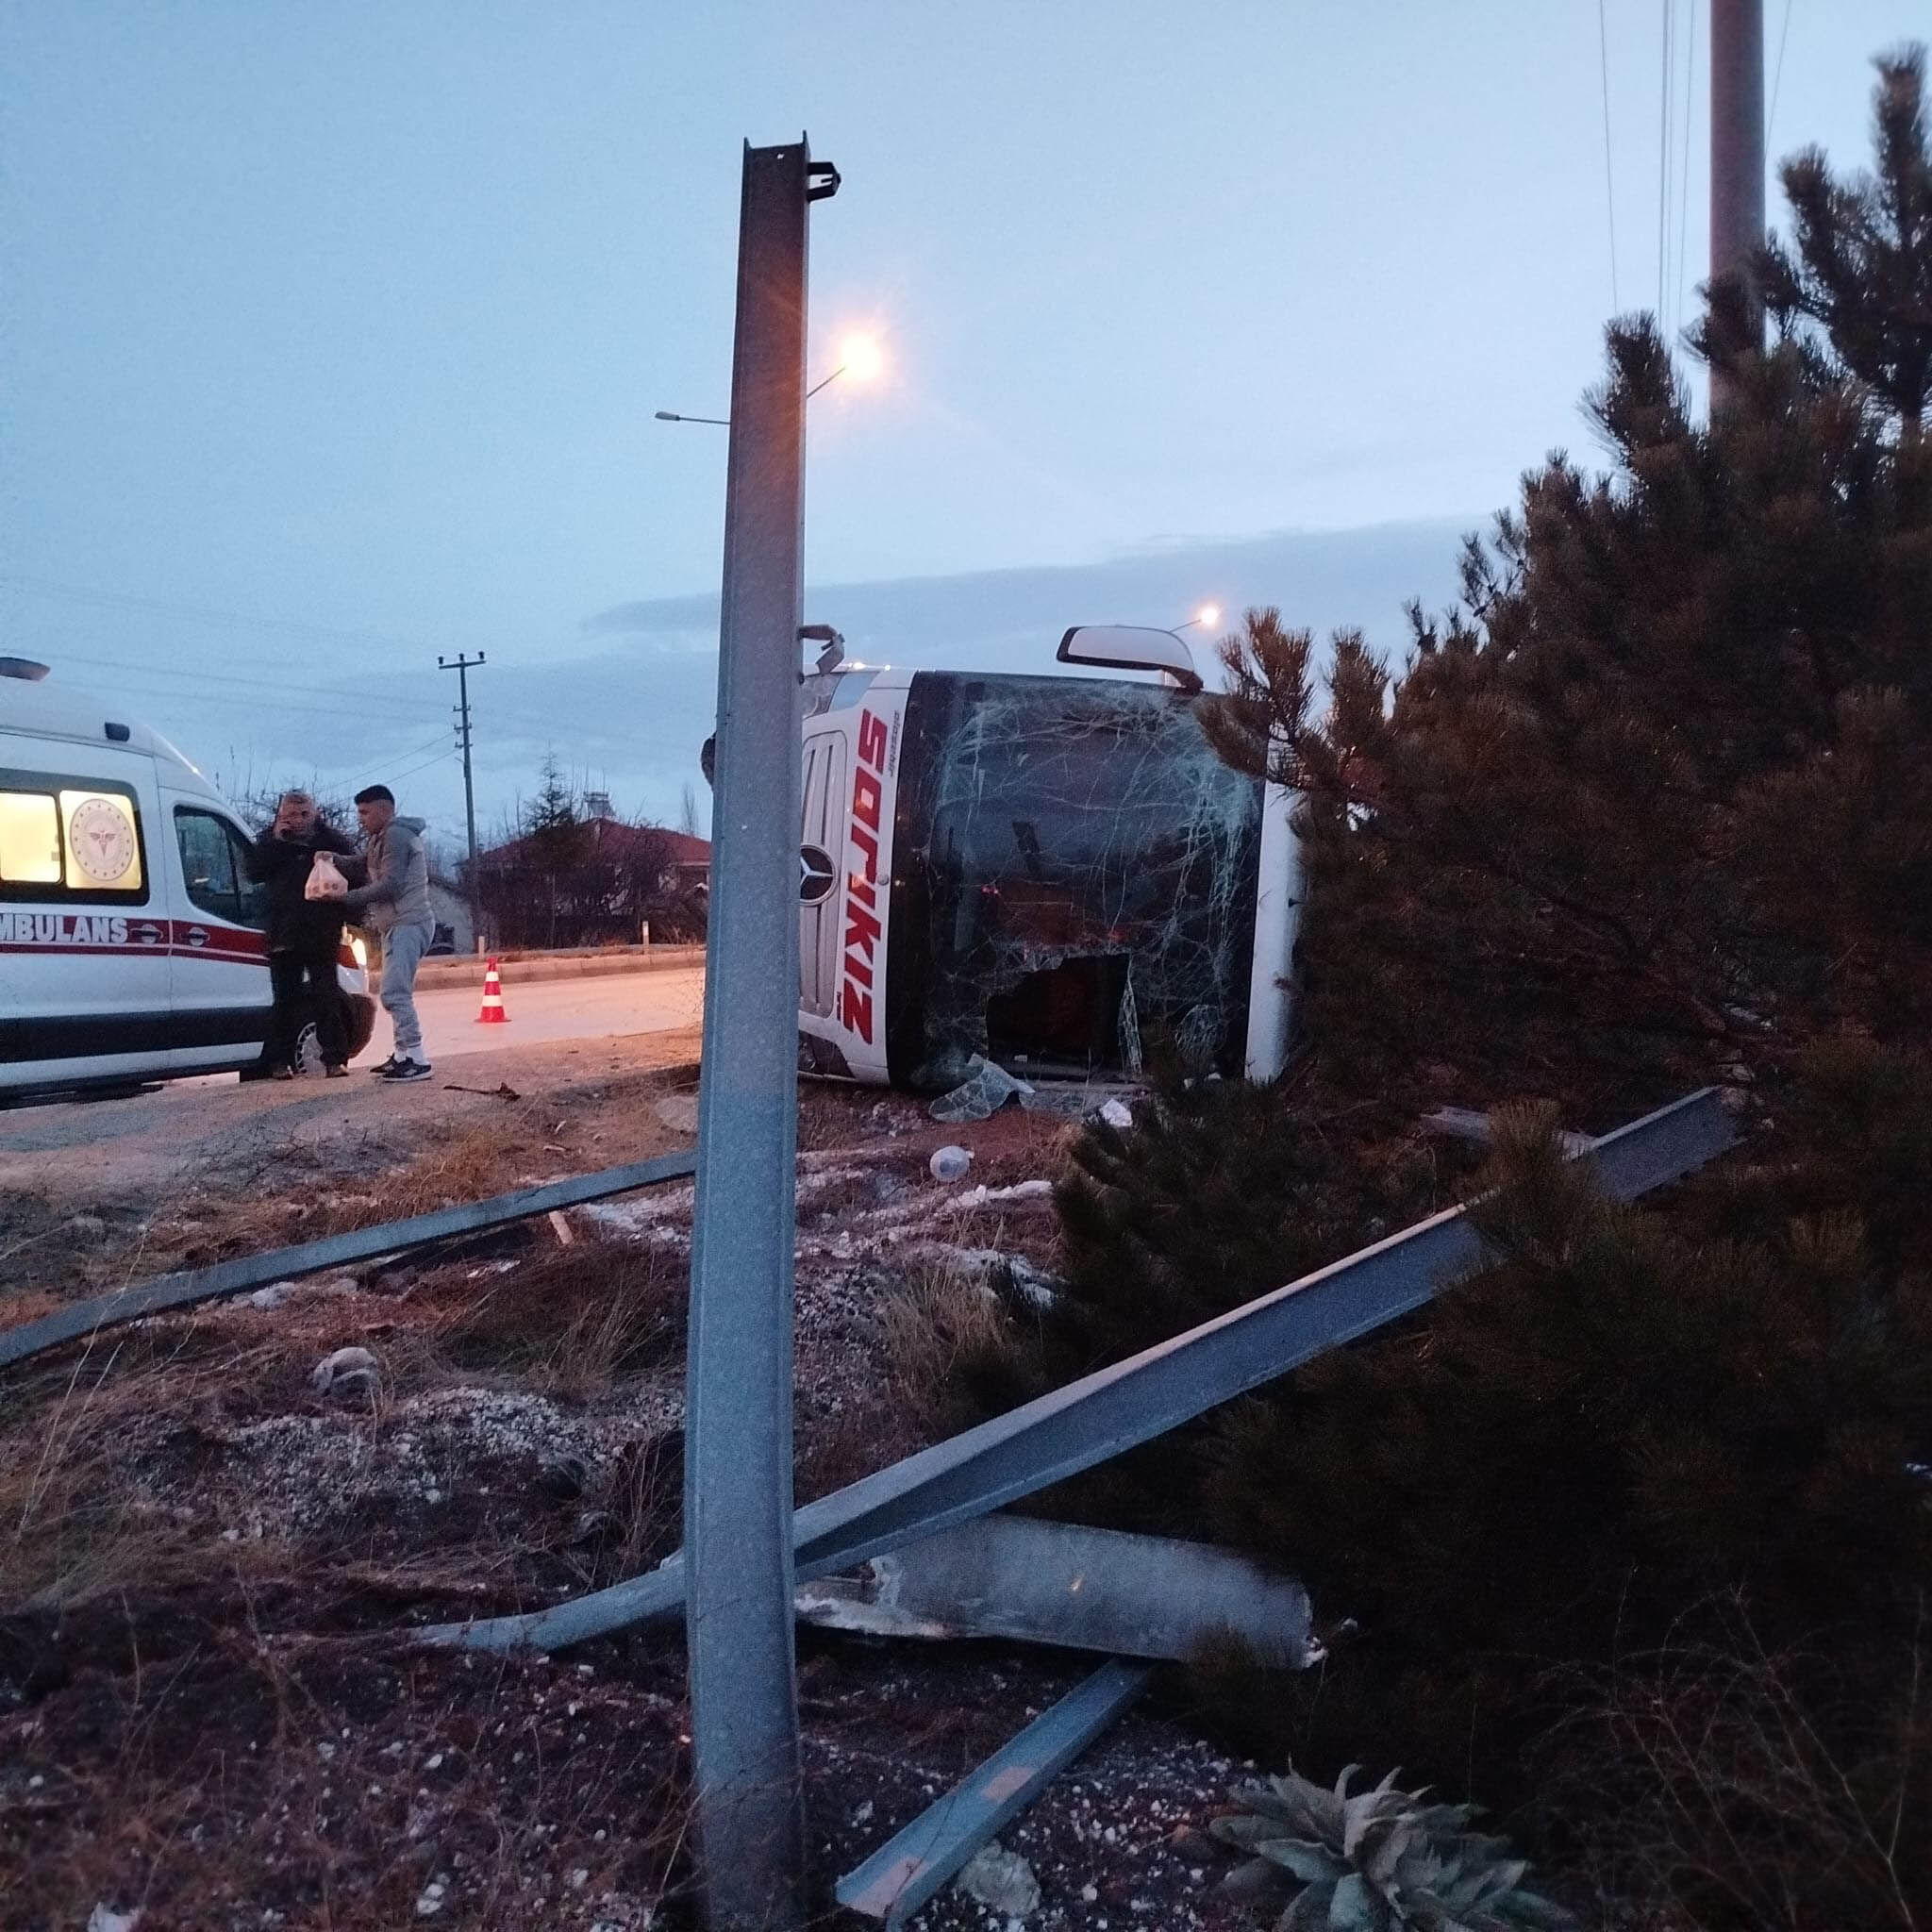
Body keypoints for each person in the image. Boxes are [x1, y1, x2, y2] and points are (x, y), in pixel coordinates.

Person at [245, 790, 361, 1078]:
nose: (297, 820)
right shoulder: (269, 841)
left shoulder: (331, 841)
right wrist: (277, 840)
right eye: (290, 815)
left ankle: (335, 1059)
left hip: (322, 930)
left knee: (327, 996)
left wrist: (347, 914)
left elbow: (357, 875)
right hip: (283, 932)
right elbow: (253, 872)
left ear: (315, 813)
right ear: (280, 815)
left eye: (304, 814)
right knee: (285, 999)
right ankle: (278, 1061)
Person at [342, 784, 437, 1082]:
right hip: (398, 925)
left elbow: (391, 885)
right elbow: (361, 862)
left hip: (408, 924)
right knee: (398, 991)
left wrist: (344, 898)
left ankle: (418, 1059)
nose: (361, 819)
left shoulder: (396, 835)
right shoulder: (380, 838)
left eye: (365, 812)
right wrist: (331, 859)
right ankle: (402, 1055)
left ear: (384, 809)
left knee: (394, 993)